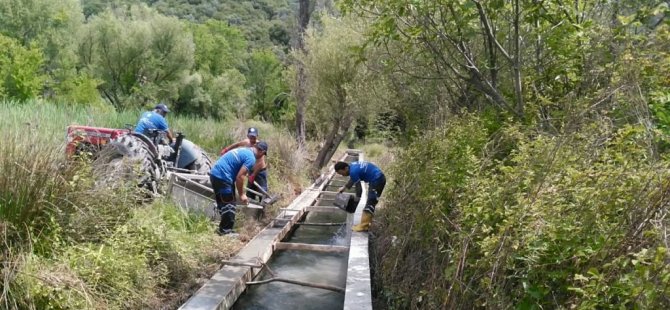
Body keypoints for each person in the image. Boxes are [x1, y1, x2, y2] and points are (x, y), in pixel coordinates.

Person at [210, 141, 268, 236]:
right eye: (263, 154)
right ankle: (225, 231)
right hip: (223, 176)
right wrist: (242, 194)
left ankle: (223, 228)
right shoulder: (251, 158)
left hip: (215, 174)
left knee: (224, 202)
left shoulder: (244, 150)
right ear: (262, 152)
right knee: (229, 204)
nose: (261, 157)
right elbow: (240, 177)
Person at [219, 127, 269, 203]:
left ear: (257, 136)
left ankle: (263, 207)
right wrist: (226, 149)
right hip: (250, 170)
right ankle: (250, 207)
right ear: (248, 136)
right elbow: (236, 144)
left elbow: (260, 163)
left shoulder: (259, 147)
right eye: (251, 137)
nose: (252, 139)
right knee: (250, 190)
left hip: (259, 172)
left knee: (261, 191)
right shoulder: (246, 142)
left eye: (254, 137)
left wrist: (254, 174)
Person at [335, 161, 386, 232]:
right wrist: (344, 187)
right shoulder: (352, 165)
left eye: (341, 173)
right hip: (378, 178)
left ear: (345, 168)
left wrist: (356, 201)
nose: (342, 175)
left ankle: (364, 226)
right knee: (371, 201)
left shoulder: (353, 171)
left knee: (371, 202)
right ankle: (367, 223)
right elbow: (353, 178)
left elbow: (359, 188)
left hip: (377, 180)